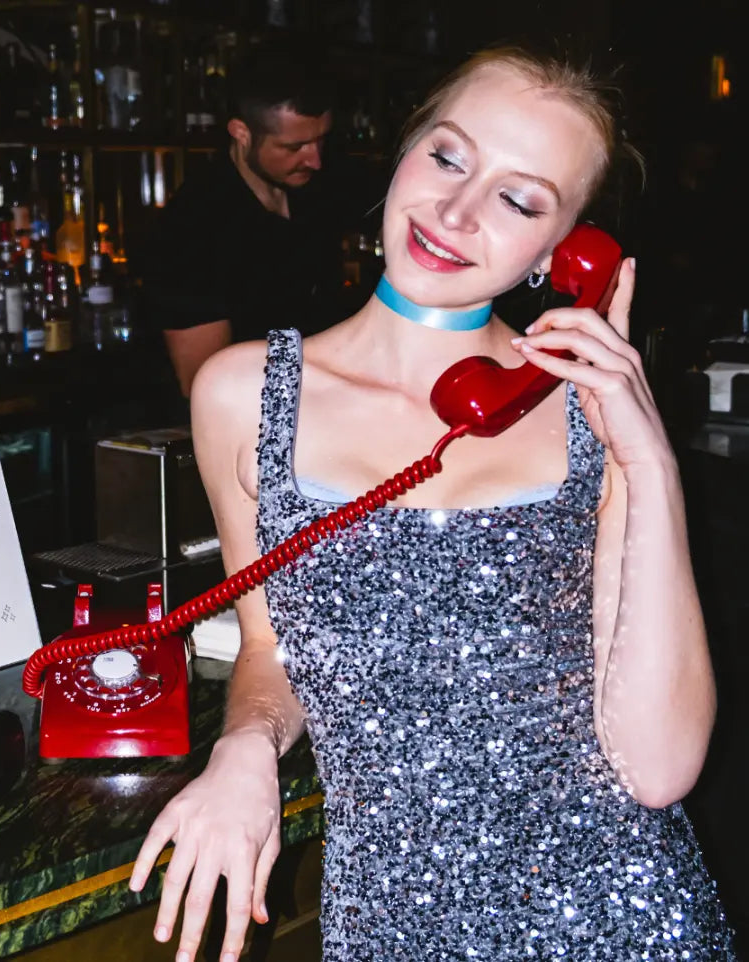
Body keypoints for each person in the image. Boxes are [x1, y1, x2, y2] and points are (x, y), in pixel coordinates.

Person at [127, 44, 739, 961]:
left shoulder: (587, 411)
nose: (455, 213)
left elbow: (657, 771)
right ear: (405, 154)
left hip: (622, 915)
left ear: (566, 253)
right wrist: (245, 748)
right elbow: (270, 644)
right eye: (449, 157)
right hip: (392, 918)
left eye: (519, 199)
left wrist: (647, 465)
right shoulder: (241, 394)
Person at [138, 42, 385, 401]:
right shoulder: (192, 228)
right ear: (241, 133)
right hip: (254, 432)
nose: (314, 159)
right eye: (293, 147)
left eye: (321, 141)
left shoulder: (327, 184)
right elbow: (207, 387)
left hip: (336, 408)